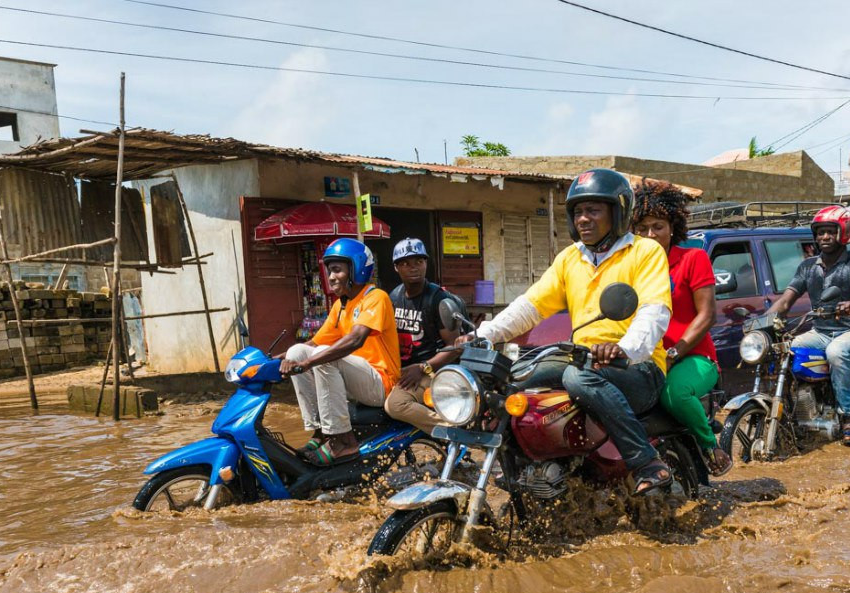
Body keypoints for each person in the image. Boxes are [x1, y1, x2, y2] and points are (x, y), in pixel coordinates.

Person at [470, 168, 675, 493]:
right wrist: (484, 334)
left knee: (578, 378)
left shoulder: (644, 251)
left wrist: (625, 348)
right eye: (578, 211)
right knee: (510, 379)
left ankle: (646, 461)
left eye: (593, 210)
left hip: (638, 368)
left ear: (618, 212)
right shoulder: (570, 258)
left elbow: (655, 311)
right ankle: (523, 468)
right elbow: (531, 306)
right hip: (583, 360)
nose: (583, 219)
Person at [630, 178, 732, 477]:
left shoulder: (693, 259)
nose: (650, 234)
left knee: (675, 393)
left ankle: (710, 446)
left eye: (658, 226)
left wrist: (674, 353)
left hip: (693, 356)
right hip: (645, 357)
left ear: (673, 227)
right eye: (642, 228)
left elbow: (707, 315)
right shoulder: (630, 268)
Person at [281, 238, 400, 465]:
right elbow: (312, 345)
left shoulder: (376, 298)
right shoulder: (340, 305)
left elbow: (355, 339)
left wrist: (308, 364)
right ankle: (320, 432)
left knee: (323, 356)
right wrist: (273, 360)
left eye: (337, 270)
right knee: (296, 351)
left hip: (381, 383)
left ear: (356, 269)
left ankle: (343, 441)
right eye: (329, 271)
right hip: (355, 380)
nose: (331, 276)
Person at [767, 206, 850, 445]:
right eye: (820, 232)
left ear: (844, 233)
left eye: (830, 231)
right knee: (784, 349)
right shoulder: (807, 267)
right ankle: (790, 409)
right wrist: (762, 322)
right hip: (820, 332)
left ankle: (848, 418)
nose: (824, 237)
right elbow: (786, 300)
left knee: (836, 352)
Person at [383, 237, 463, 434]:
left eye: (419, 261)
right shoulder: (394, 297)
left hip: (433, 370)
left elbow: (455, 347)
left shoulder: (438, 299)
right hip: (405, 370)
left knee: (395, 405)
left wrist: (423, 367)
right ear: (396, 267)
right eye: (405, 263)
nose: (413, 267)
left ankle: (454, 431)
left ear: (426, 263)